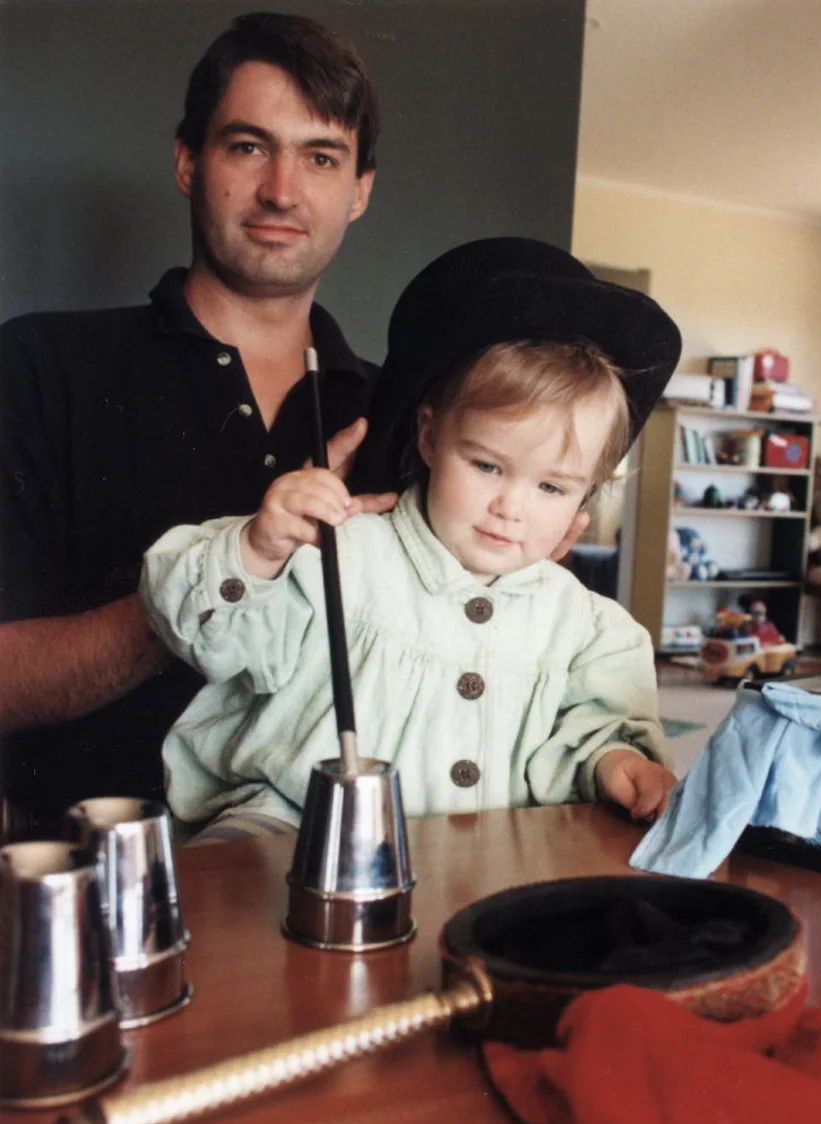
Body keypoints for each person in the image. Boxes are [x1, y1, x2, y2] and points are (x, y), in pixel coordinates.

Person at [0, 13, 398, 835]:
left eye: (320, 157)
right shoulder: (42, 364)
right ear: (189, 161)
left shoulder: (398, 417)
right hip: (86, 878)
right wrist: (223, 575)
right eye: (248, 146)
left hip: (317, 881)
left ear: (359, 190)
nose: (282, 190)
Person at [139, 238, 683, 832]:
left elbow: (595, 726)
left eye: (551, 488)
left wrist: (614, 759)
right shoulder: (338, 554)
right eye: (486, 466)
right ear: (429, 438)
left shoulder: (586, 627)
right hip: (291, 826)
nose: (510, 508)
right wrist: (260, 549)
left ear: (586, 497)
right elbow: (199, 629)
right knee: (233, 900)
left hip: (485, 860)